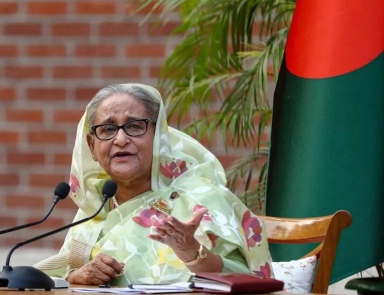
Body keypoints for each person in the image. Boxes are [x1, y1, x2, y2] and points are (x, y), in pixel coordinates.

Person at [34, 83, 273, 286]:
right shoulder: (94, 212)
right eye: (107, 129)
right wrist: (78, 276)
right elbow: (57, 279)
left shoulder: (200, 198)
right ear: (92, 146)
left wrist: (193, 253)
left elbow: (247, 280)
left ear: (158, 137)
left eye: (135, 126)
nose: (120, 139)